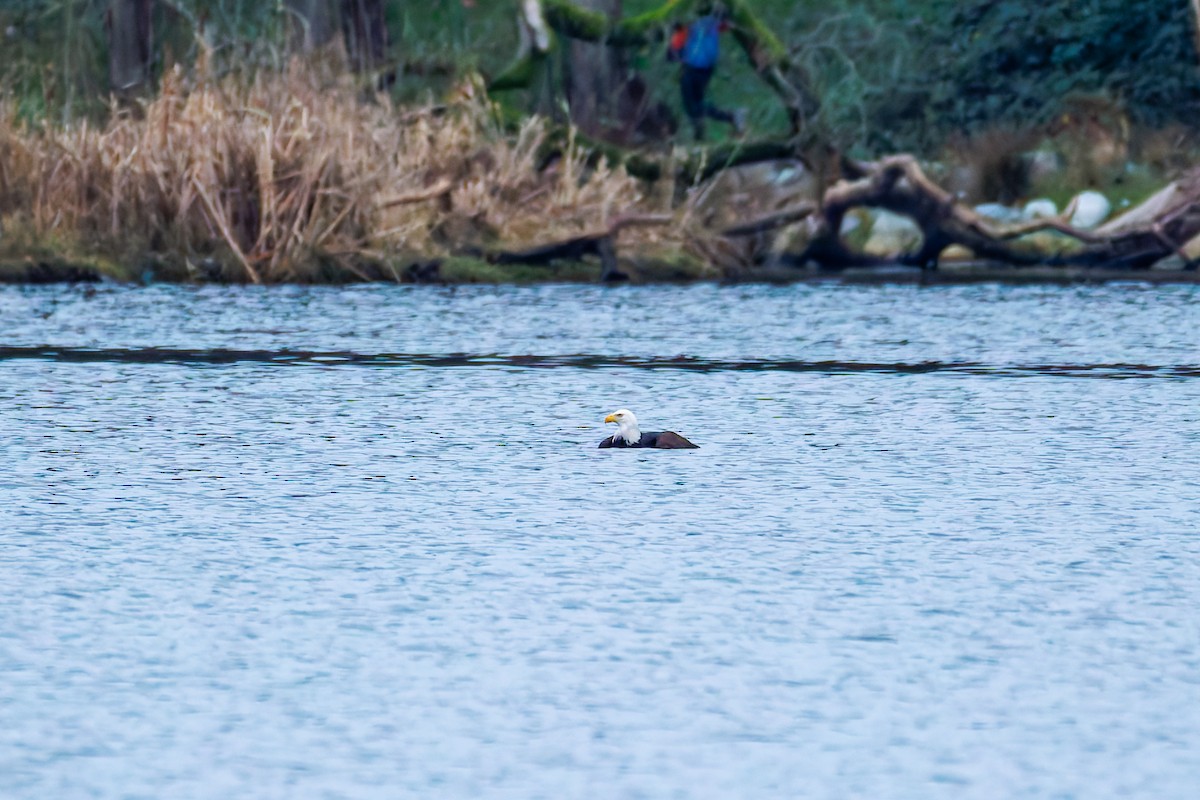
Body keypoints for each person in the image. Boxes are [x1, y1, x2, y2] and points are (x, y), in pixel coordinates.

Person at [667, 5, 746, 141]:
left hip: (692, 69)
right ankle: (701, 136)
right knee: (696, 105)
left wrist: (675, 51)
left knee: (694, 108)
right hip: (705, 70)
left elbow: (673, 51)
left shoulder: (691, 24)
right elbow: (726, 25)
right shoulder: (711, 22)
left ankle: (731, 116)